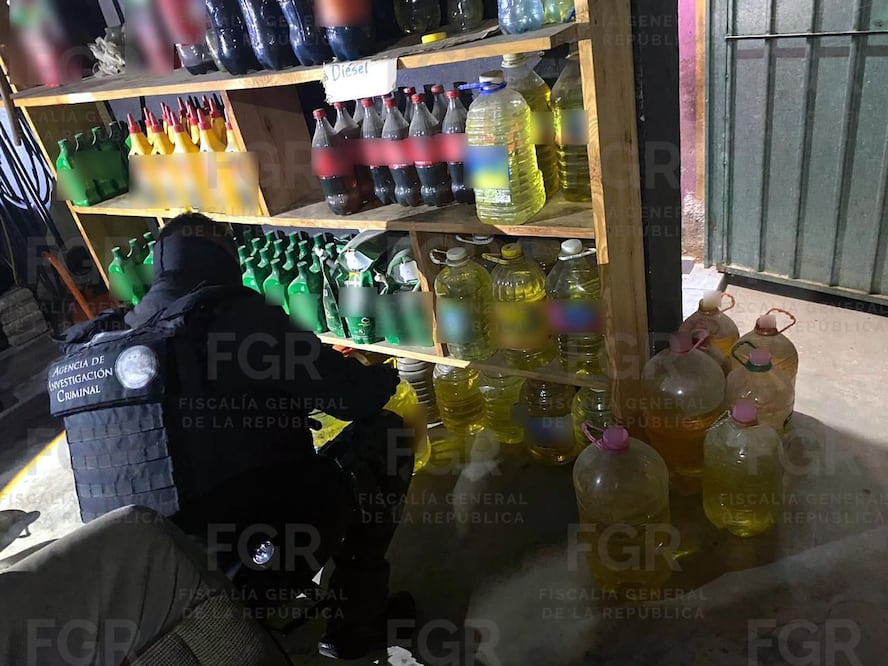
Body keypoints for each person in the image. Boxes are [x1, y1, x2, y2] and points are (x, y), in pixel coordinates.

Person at [47, 213, 416, 659]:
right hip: (237, 577)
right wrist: (384, 375)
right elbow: (356, 399)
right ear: (226, 262)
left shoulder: (92, 349)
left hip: (136, 600)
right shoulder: (234, 317)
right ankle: (358, 624)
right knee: (385, 438)